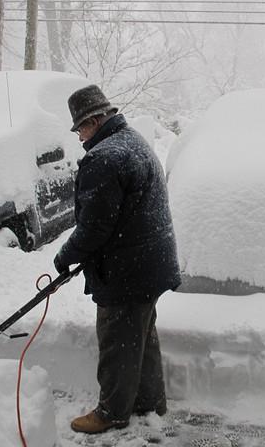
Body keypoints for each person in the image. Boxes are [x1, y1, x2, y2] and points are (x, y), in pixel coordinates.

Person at [53, 84, 181, 434]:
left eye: (80, 128)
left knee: (117, 343)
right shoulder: (133, 142)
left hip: (128, 271)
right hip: (150, 265)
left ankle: (112, 412)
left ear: (94, 121)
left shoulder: (104, 158)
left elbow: (94, 228)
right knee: (141, 337)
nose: (79, 137)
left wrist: (64, 257)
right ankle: (148, 402)